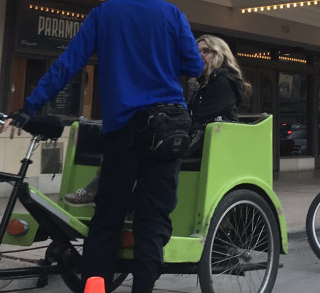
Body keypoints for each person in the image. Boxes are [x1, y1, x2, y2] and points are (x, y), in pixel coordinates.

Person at [3, 0, 203, 293]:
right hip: (165, 130)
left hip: (122, 131)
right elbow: (195, 67)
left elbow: (68, 64)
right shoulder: (173, 15)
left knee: (106, 217)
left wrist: (28, 107)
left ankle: (93, 289)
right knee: (153, 219)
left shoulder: (104, 14)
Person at [65, 33, 251, 204]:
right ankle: (113, 193)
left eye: (206, 51)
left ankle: (108, 194)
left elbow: (201, 117)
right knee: (130, 137)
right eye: (197, 51)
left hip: (208, 141)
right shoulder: (204, 83)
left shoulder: (223, 81)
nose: (200, 55)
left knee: (138, 143)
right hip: (198, 137)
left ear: (220, 55)